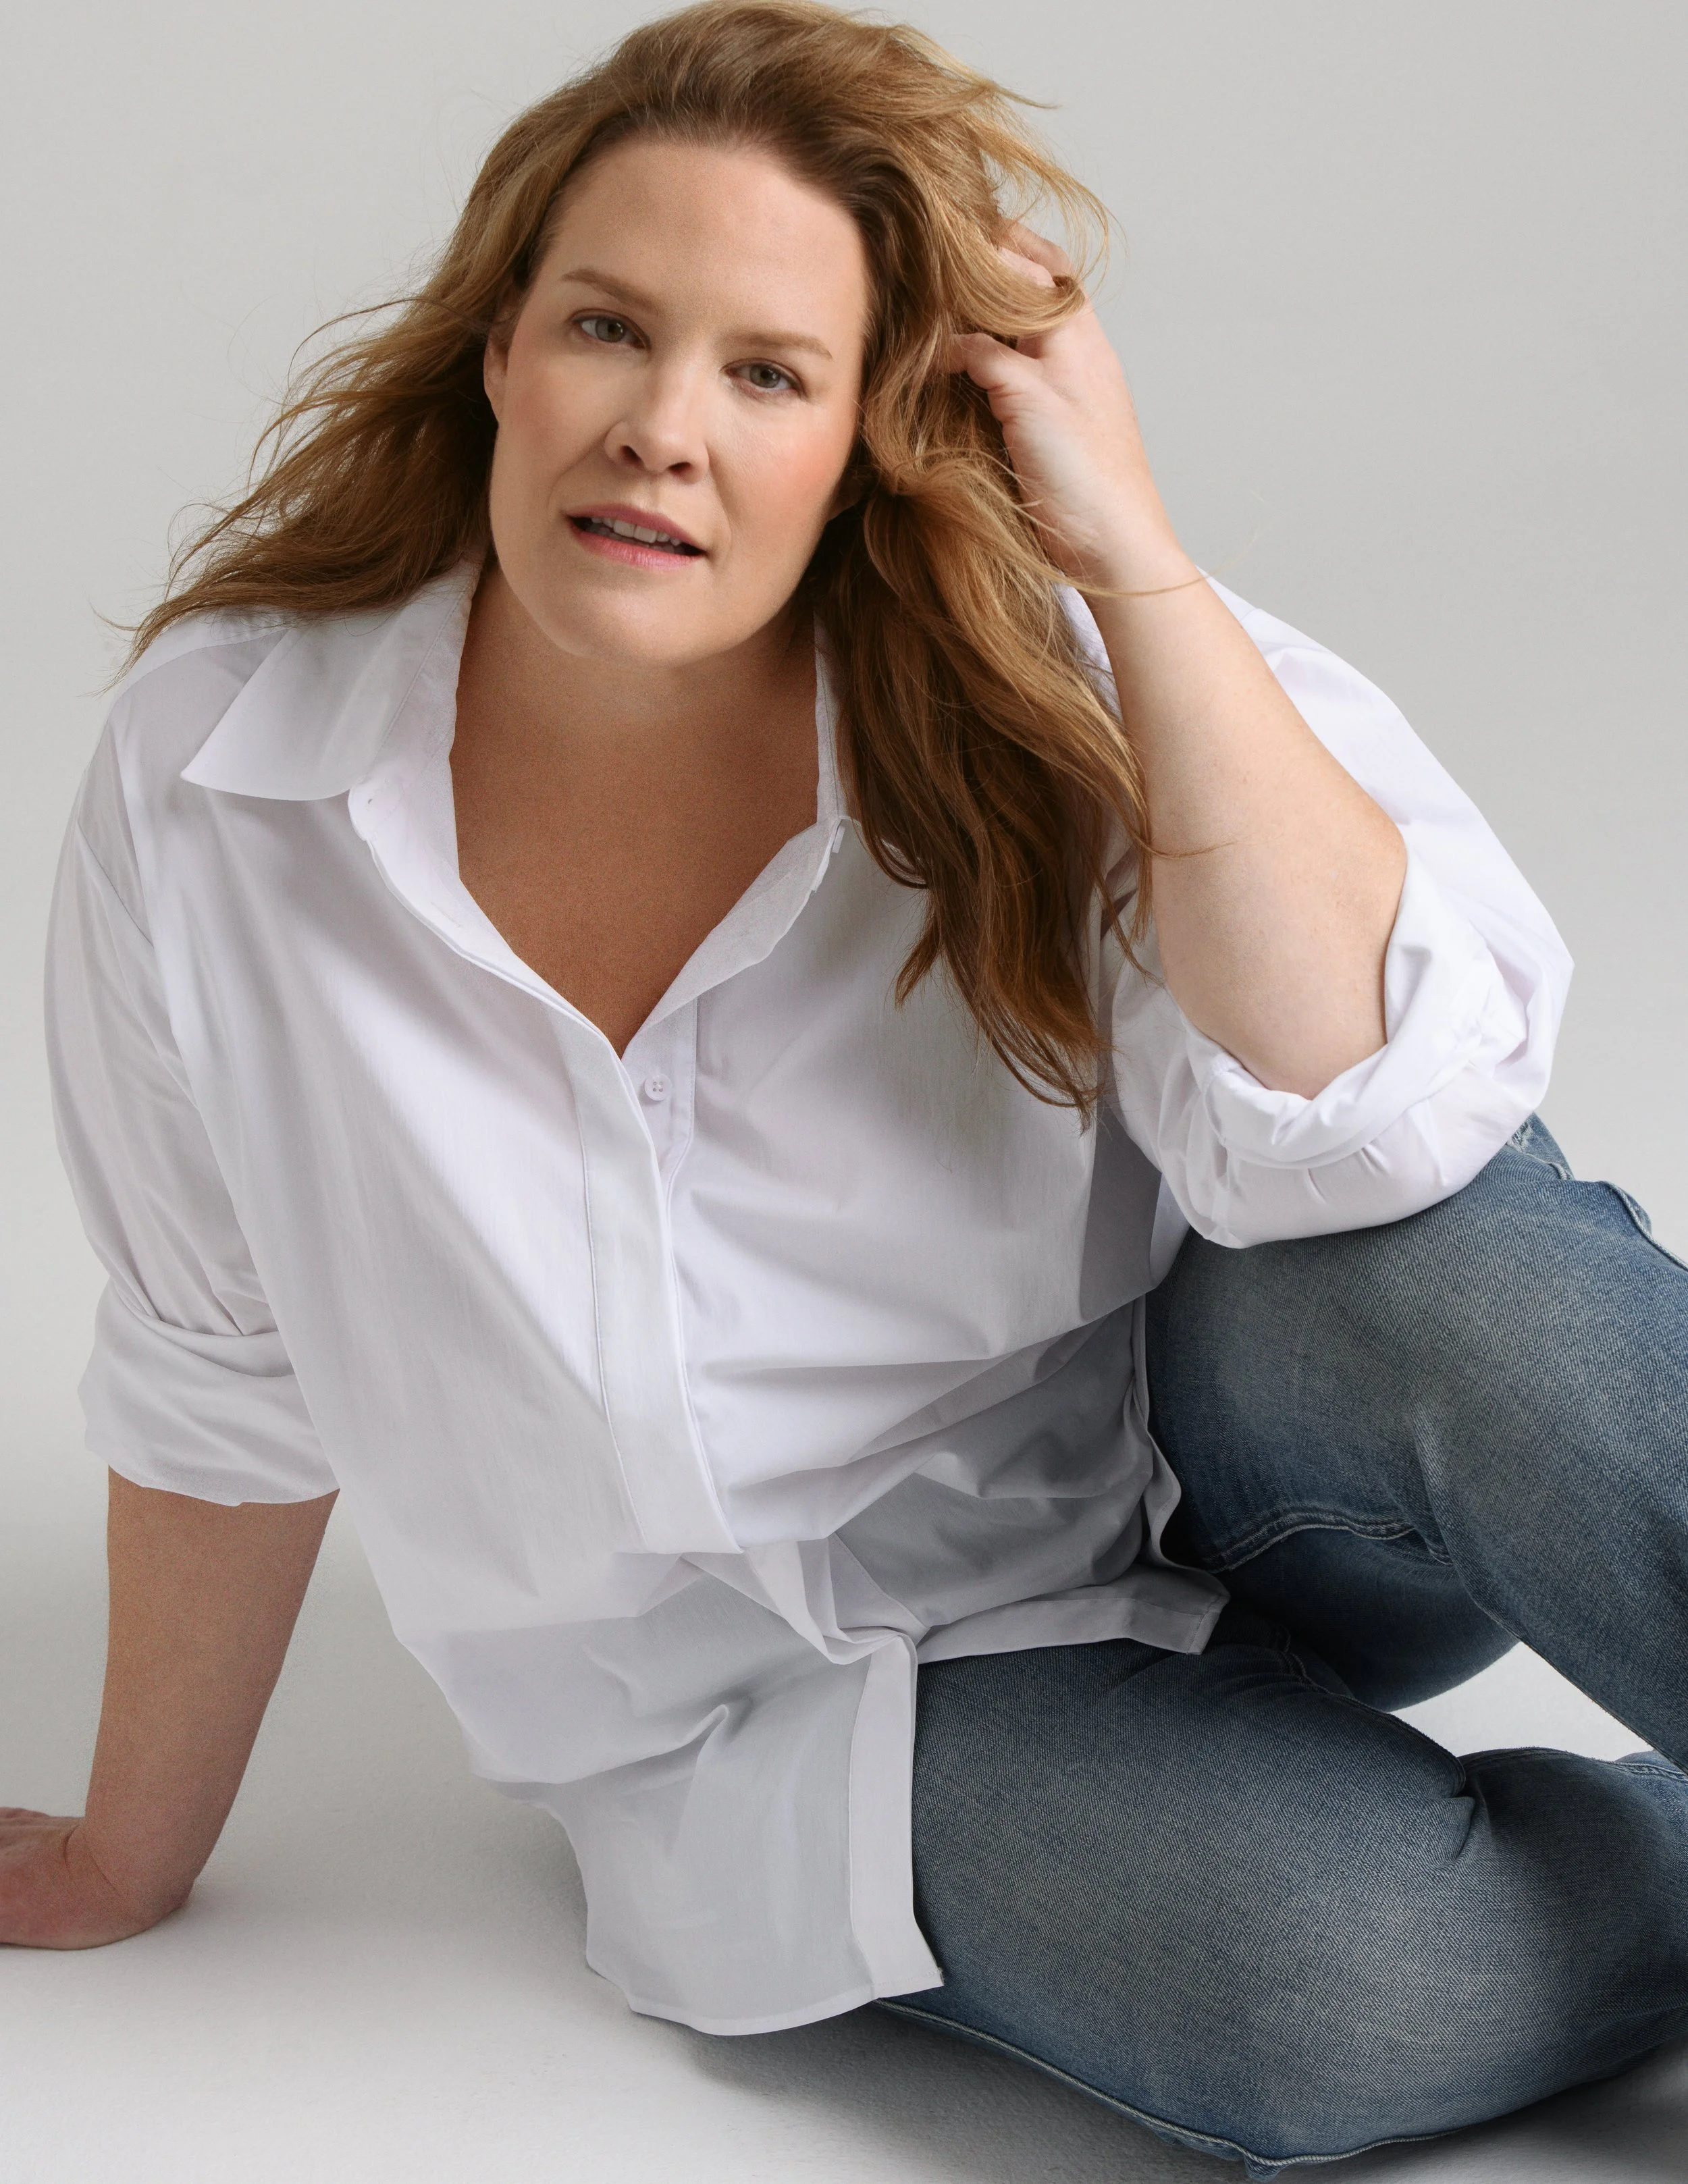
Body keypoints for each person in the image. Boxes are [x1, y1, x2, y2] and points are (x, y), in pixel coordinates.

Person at [6, 1, 1687, 2172]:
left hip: (1236, 1467)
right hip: (810, 1728)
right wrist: (137, 1856)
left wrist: (1128, 561)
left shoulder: (1032, 692)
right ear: (497, 351)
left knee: (1465, 1277)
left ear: (869, 437)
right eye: (610, 328)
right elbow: (221, 1363)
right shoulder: (224, 782)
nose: (663, 429)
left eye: (769, 373)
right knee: (1339, 1994)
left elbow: (1376, 1120)